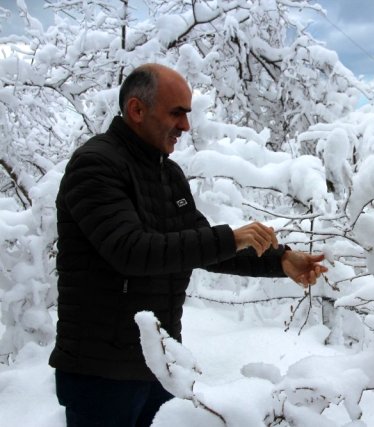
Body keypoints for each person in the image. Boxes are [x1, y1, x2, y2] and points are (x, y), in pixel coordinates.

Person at [49, 63, 328, 427]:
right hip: (102, 375)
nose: (185, 126)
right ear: (137, 110)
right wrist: (231, 235)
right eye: (176, 113)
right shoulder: (96, 165)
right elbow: (131, 251)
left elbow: (202, 246)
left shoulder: (167, 174)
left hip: (161, 367)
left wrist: (280, 261)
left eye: (187, 114)